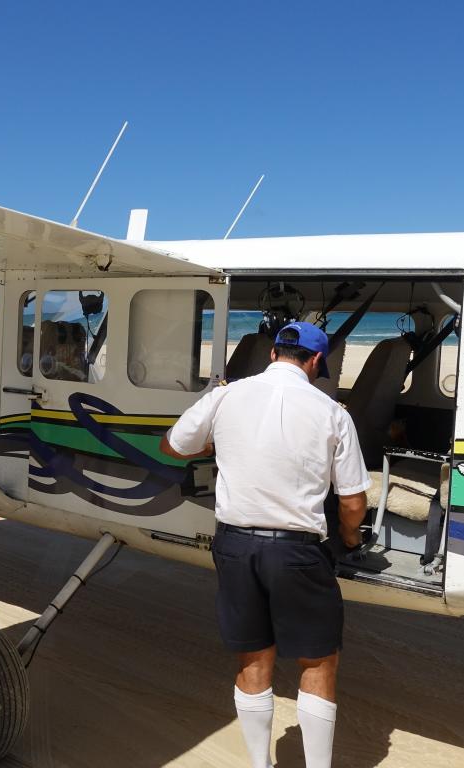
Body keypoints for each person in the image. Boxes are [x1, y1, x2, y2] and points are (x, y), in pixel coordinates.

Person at [160, 321, 370, 768]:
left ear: (273, 353)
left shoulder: (226, 395)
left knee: (253, 661)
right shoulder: (332, 411)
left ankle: (260, 764)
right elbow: (352, 501)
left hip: (235, 545)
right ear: (315, 361)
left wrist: (223, 435)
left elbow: (175, 446)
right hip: (297, 551)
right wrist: (348, 540)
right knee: (317, 663)